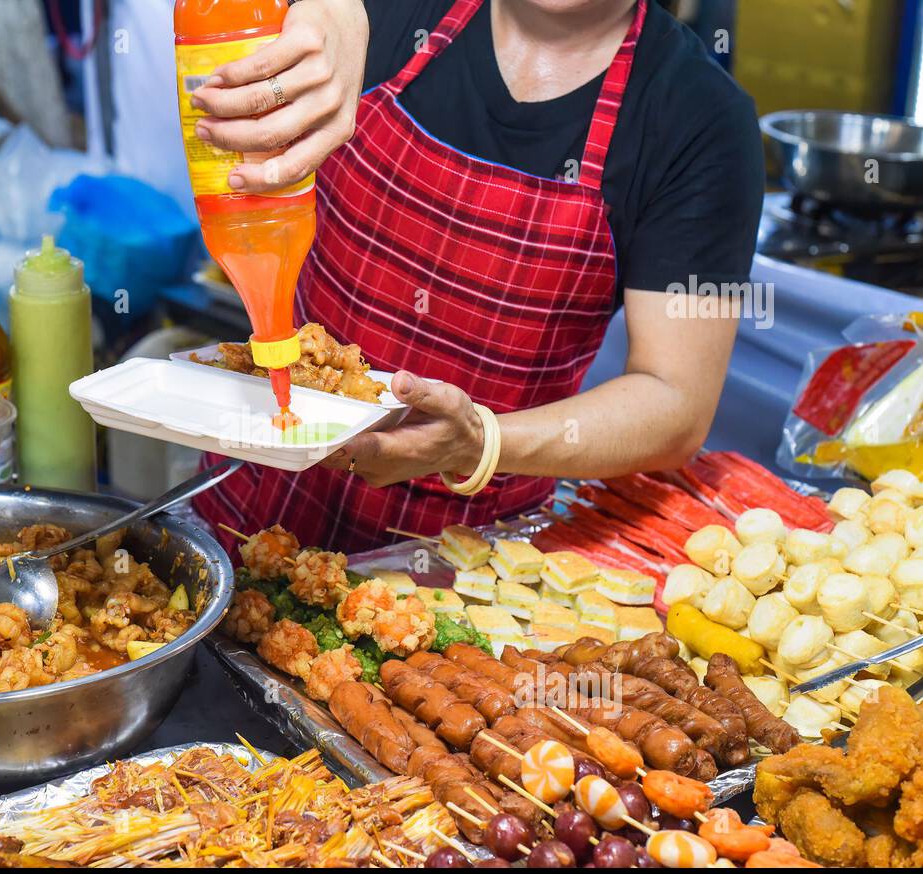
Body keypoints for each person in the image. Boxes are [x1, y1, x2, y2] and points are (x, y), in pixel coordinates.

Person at [189, 0, 764, 554]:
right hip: (252, 494)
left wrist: (481, 441)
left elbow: (676, 403)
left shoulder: (704, 120)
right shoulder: (376, 13)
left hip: (462, 570)